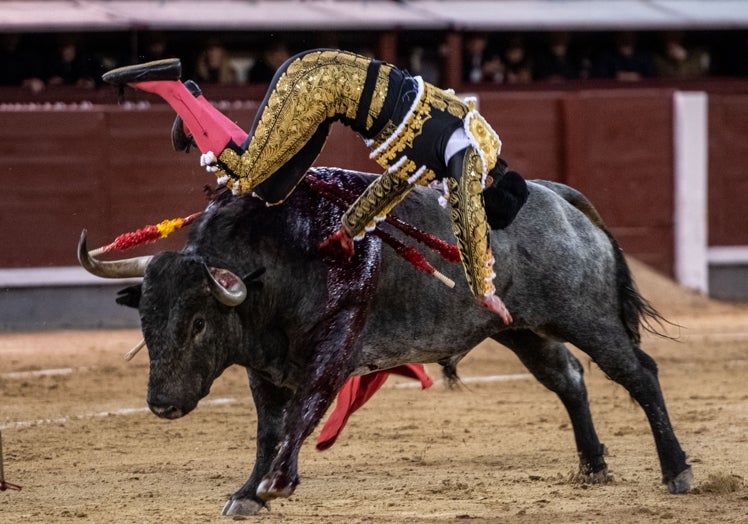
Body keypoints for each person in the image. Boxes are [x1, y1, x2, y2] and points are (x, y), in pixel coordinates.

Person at [101, 49, 524, 323]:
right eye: (481, 197)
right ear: (488, 183)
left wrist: (349, 230)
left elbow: (392, 185)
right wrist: (483, 290)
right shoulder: (472, 156)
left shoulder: (450, 147)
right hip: (321, 85)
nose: (462, 193)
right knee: (246, 172)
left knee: (267, 187)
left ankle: (195, 113)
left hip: (326, 90)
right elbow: (469, 214)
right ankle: (174, 87)